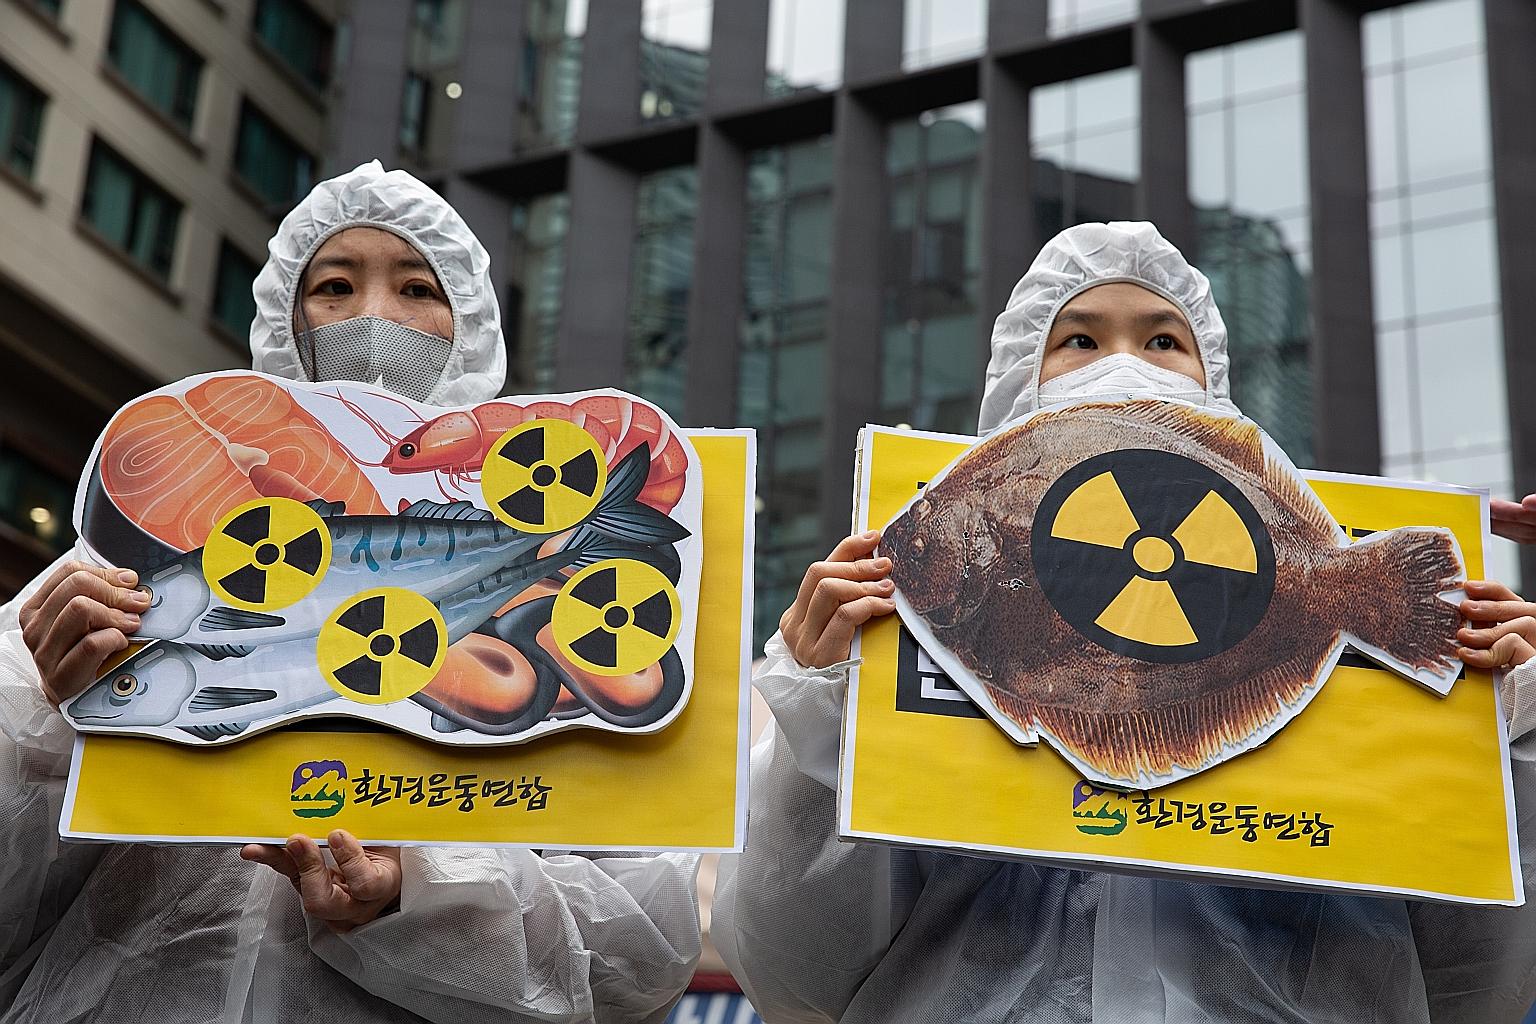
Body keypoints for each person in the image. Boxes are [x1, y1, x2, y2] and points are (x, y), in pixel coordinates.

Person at [713, 221, 1536, 1023]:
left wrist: (1506, 740)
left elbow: (1478, 989)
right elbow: (792, 976)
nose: (1122, 367)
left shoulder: (1347, 641)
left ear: (1211, 380)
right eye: (1077, 340)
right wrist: (821, 721)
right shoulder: (883, 639)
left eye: (1162, 341)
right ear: (1016, 381)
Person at [0, 162, 700, 1023]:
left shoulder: (577, 612)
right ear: (285, 320)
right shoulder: (109, 580)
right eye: (334, 285)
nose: (375, 320)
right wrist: (46, 714)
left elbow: (638, 952)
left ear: (471, 326)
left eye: (417, 287)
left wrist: (422, 891)